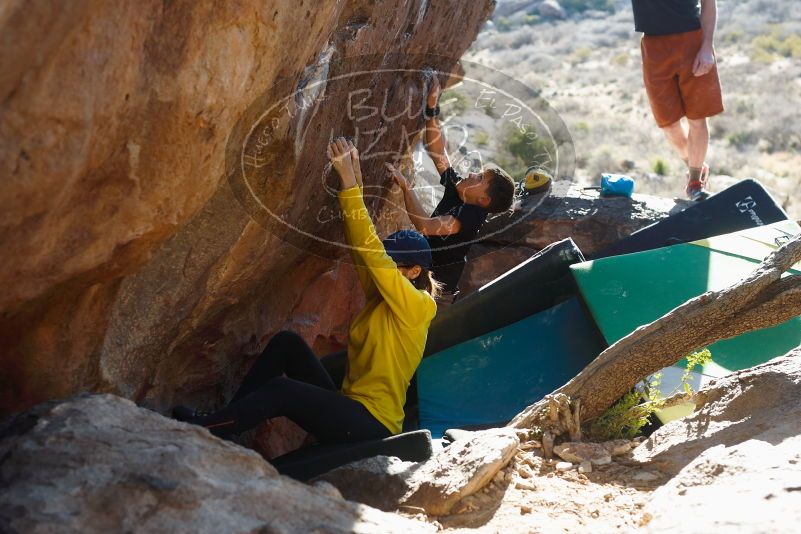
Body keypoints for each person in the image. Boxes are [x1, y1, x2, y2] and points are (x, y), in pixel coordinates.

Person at [173, 138, 438, 443]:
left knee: (283, 391)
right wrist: (353, 186)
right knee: (287, 344)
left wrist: (351, 182)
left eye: (395, 263)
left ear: (415, 271)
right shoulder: (384, 296)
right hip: (351, 407)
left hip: (372, 423)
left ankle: (205, 431)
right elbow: (362, 246)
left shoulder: (419, 306)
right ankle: (226, 423)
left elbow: (373, 254)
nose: (387, 266)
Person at [387, 75, 516, 303]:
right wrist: (432, 107)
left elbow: (425, 227)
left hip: (436, 296)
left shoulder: (471, 214)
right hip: (422, 283)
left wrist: (406, 189)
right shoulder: (459, 190)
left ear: (484, 200)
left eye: (480, 178)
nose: (472, 174)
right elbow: (438, 152)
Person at [633, 0, 723, 201]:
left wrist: (707, 46)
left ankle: (694, 183)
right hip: (654, 46)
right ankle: (694, 162)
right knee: (669, 124)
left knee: (697, 119)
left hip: (692, 41)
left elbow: (709, 3)